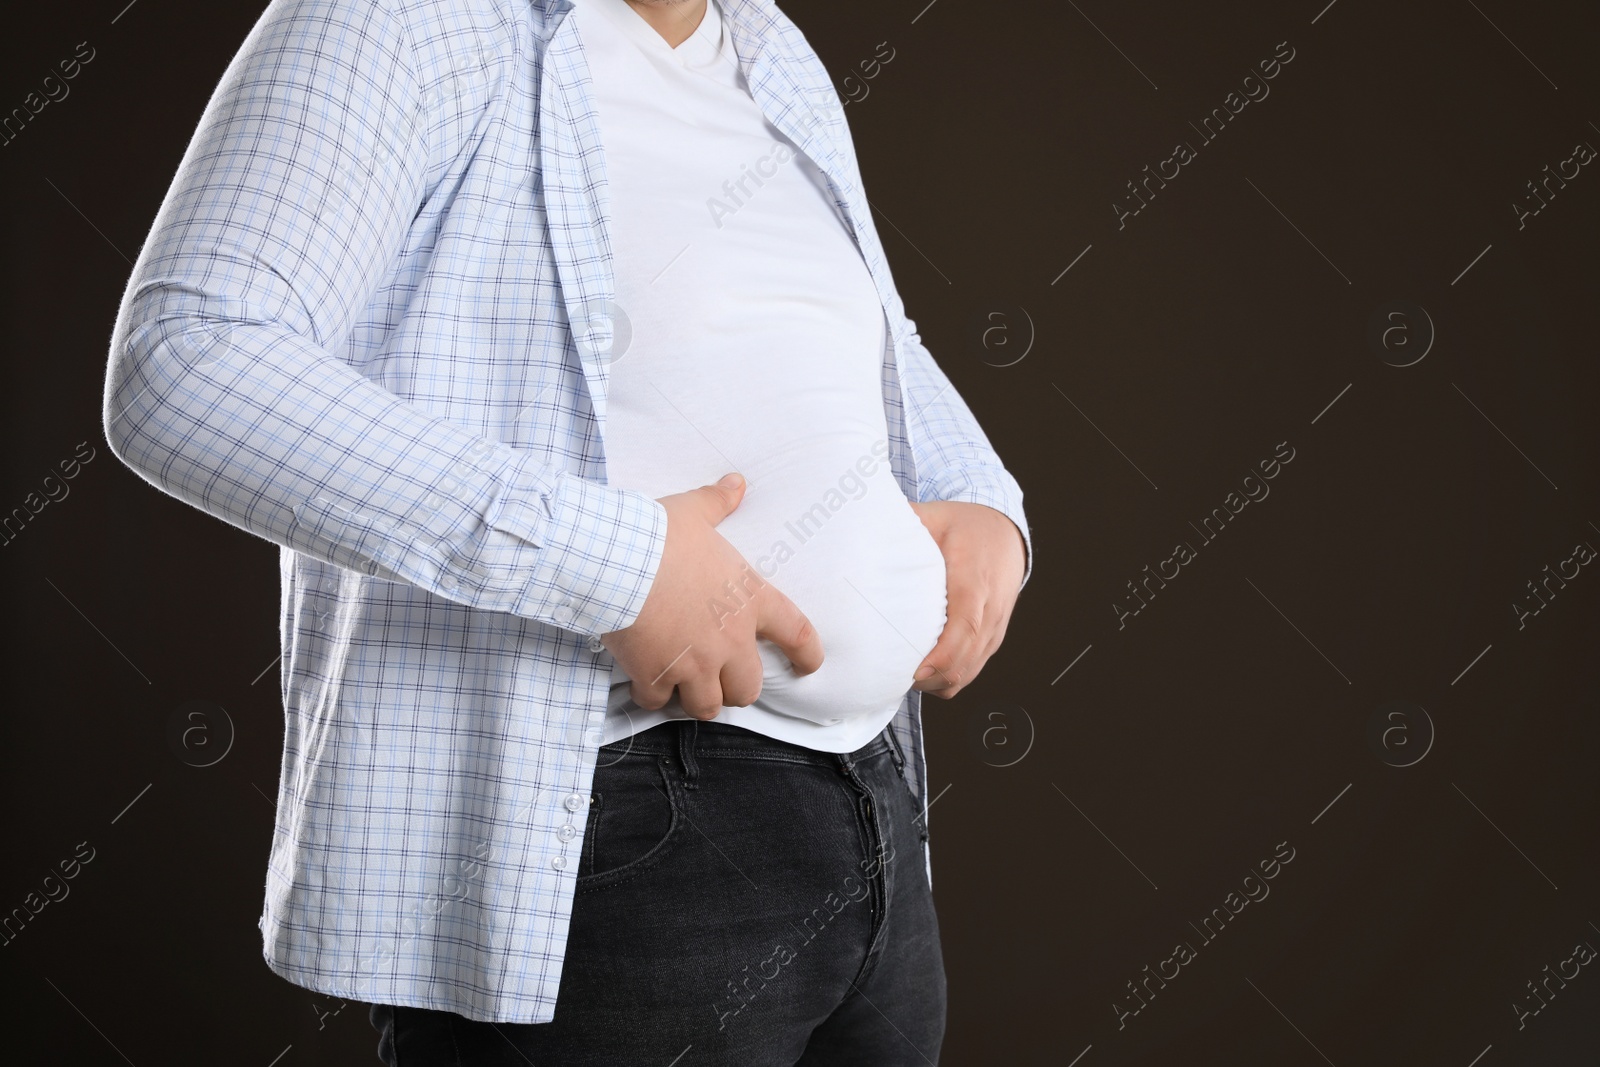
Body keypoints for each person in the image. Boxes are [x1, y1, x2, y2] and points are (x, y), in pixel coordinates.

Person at [102, 0, 1031, 1061]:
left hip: (870, 811)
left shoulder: (770, 48)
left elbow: (867, 330)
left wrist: (984, 495)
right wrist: (621, 569)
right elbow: (187, 357)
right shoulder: (399, 20)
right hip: (611, 829)